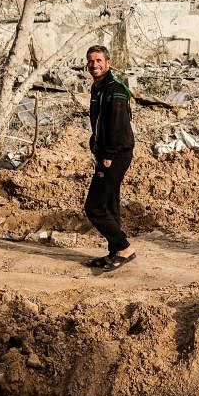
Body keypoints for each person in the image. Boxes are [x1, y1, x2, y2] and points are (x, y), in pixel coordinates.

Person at [82, 45, 137, 272]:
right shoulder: (98, 88)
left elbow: (117, 125)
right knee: (110, 202)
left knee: (94, 207)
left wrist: (107, 156)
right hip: (106, 152)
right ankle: (115, 251)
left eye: (99, 61)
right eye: (91, 61)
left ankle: (124, 247)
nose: (94, 65)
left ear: (108, 62)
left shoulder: (115, 89)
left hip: (115, 154)